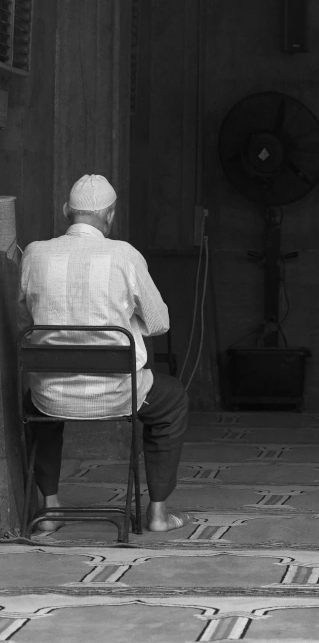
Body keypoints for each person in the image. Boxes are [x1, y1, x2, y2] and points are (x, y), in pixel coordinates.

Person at [17, 174, 190, 534]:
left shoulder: (35, 253)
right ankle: (157, 514)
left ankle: (49, 508)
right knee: (173, 400)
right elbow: (159, 323)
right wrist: (130, 322)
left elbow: (24, 317)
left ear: (67, 210)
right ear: (110, 216)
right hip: (117, 394)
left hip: (51, 393)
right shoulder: (124, 255)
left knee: (33, 403)